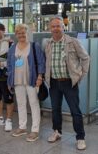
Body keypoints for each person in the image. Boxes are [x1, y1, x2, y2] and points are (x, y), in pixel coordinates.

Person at [45, 17, 90, 150]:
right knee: (55, 109)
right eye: (53, 26)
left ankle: (80, 137)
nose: (55, 29)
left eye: (58, 26)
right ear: (49, 28)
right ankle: (57, 131)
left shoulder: (73, 42)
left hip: (69, 82)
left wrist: (81, 75)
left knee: (75, 111)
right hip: (53, 82)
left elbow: (85, 58)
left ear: (63, 27)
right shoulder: (48, 43)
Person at [7, 24, 45, 142]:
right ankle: (22, 127)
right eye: (19, 33)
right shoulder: (13, 48)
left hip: (31, 79)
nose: (21, 35)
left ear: (27, 33)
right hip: (17, 80)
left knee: (34, 104)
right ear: (16, 34)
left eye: (23, 32)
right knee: (21, 104)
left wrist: (40, 77)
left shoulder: (34, 46)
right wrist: (10, 80)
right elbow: (9, 65)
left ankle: (35, 130)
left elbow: (41, 62)